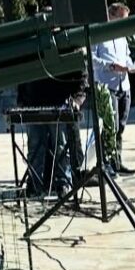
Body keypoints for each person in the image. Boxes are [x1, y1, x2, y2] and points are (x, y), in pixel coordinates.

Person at [16, 66, 88, 196]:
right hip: (33, 101)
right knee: (35, 148)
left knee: (61, 147)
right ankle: (34, 185)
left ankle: (63, 184)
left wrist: (77, 98)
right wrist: (21, 99)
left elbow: (80, 71)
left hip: (59, 101)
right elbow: (22, 69)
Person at [91, 3, 135, 174]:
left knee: (121, 126)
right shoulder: (98, 33)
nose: (125, 23)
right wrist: (110, 66)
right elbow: (91, 58)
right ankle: (105, 163)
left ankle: (117, 161)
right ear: (111, 15)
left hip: (124, 85)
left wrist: (132, 65)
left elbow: (127, 56)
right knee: (111, 126)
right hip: (107, 85)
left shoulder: (122, 36)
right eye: (122, 19)